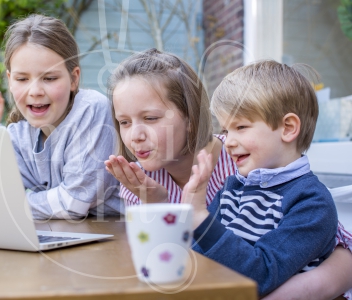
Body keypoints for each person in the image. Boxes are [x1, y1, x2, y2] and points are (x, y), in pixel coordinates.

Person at [104, 49, 352, 299]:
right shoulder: (236, 185)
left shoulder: (285, 186)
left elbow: (265, 270)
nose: (135, 135)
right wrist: (158, 205)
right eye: (124, 122)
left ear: (191, 118)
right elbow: (191, 258)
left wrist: (199, 217)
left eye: (150, 117)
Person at [181, 60, 338, 296]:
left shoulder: (311, 203)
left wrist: (200, 218)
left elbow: (260, 275)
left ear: (287, 128)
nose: (229, 141)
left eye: (241, 127)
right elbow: (197, 257)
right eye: (225, 130)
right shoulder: (231, 189)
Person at [0, 14, 121, 220]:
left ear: (74, 78)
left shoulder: (90, 110)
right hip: (62, 234)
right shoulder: (19, 133)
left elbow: (74, 203)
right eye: (22, 79)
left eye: (49, 78)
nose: (35, 91)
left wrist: (13, 204)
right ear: (10, 81)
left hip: (118, 235)